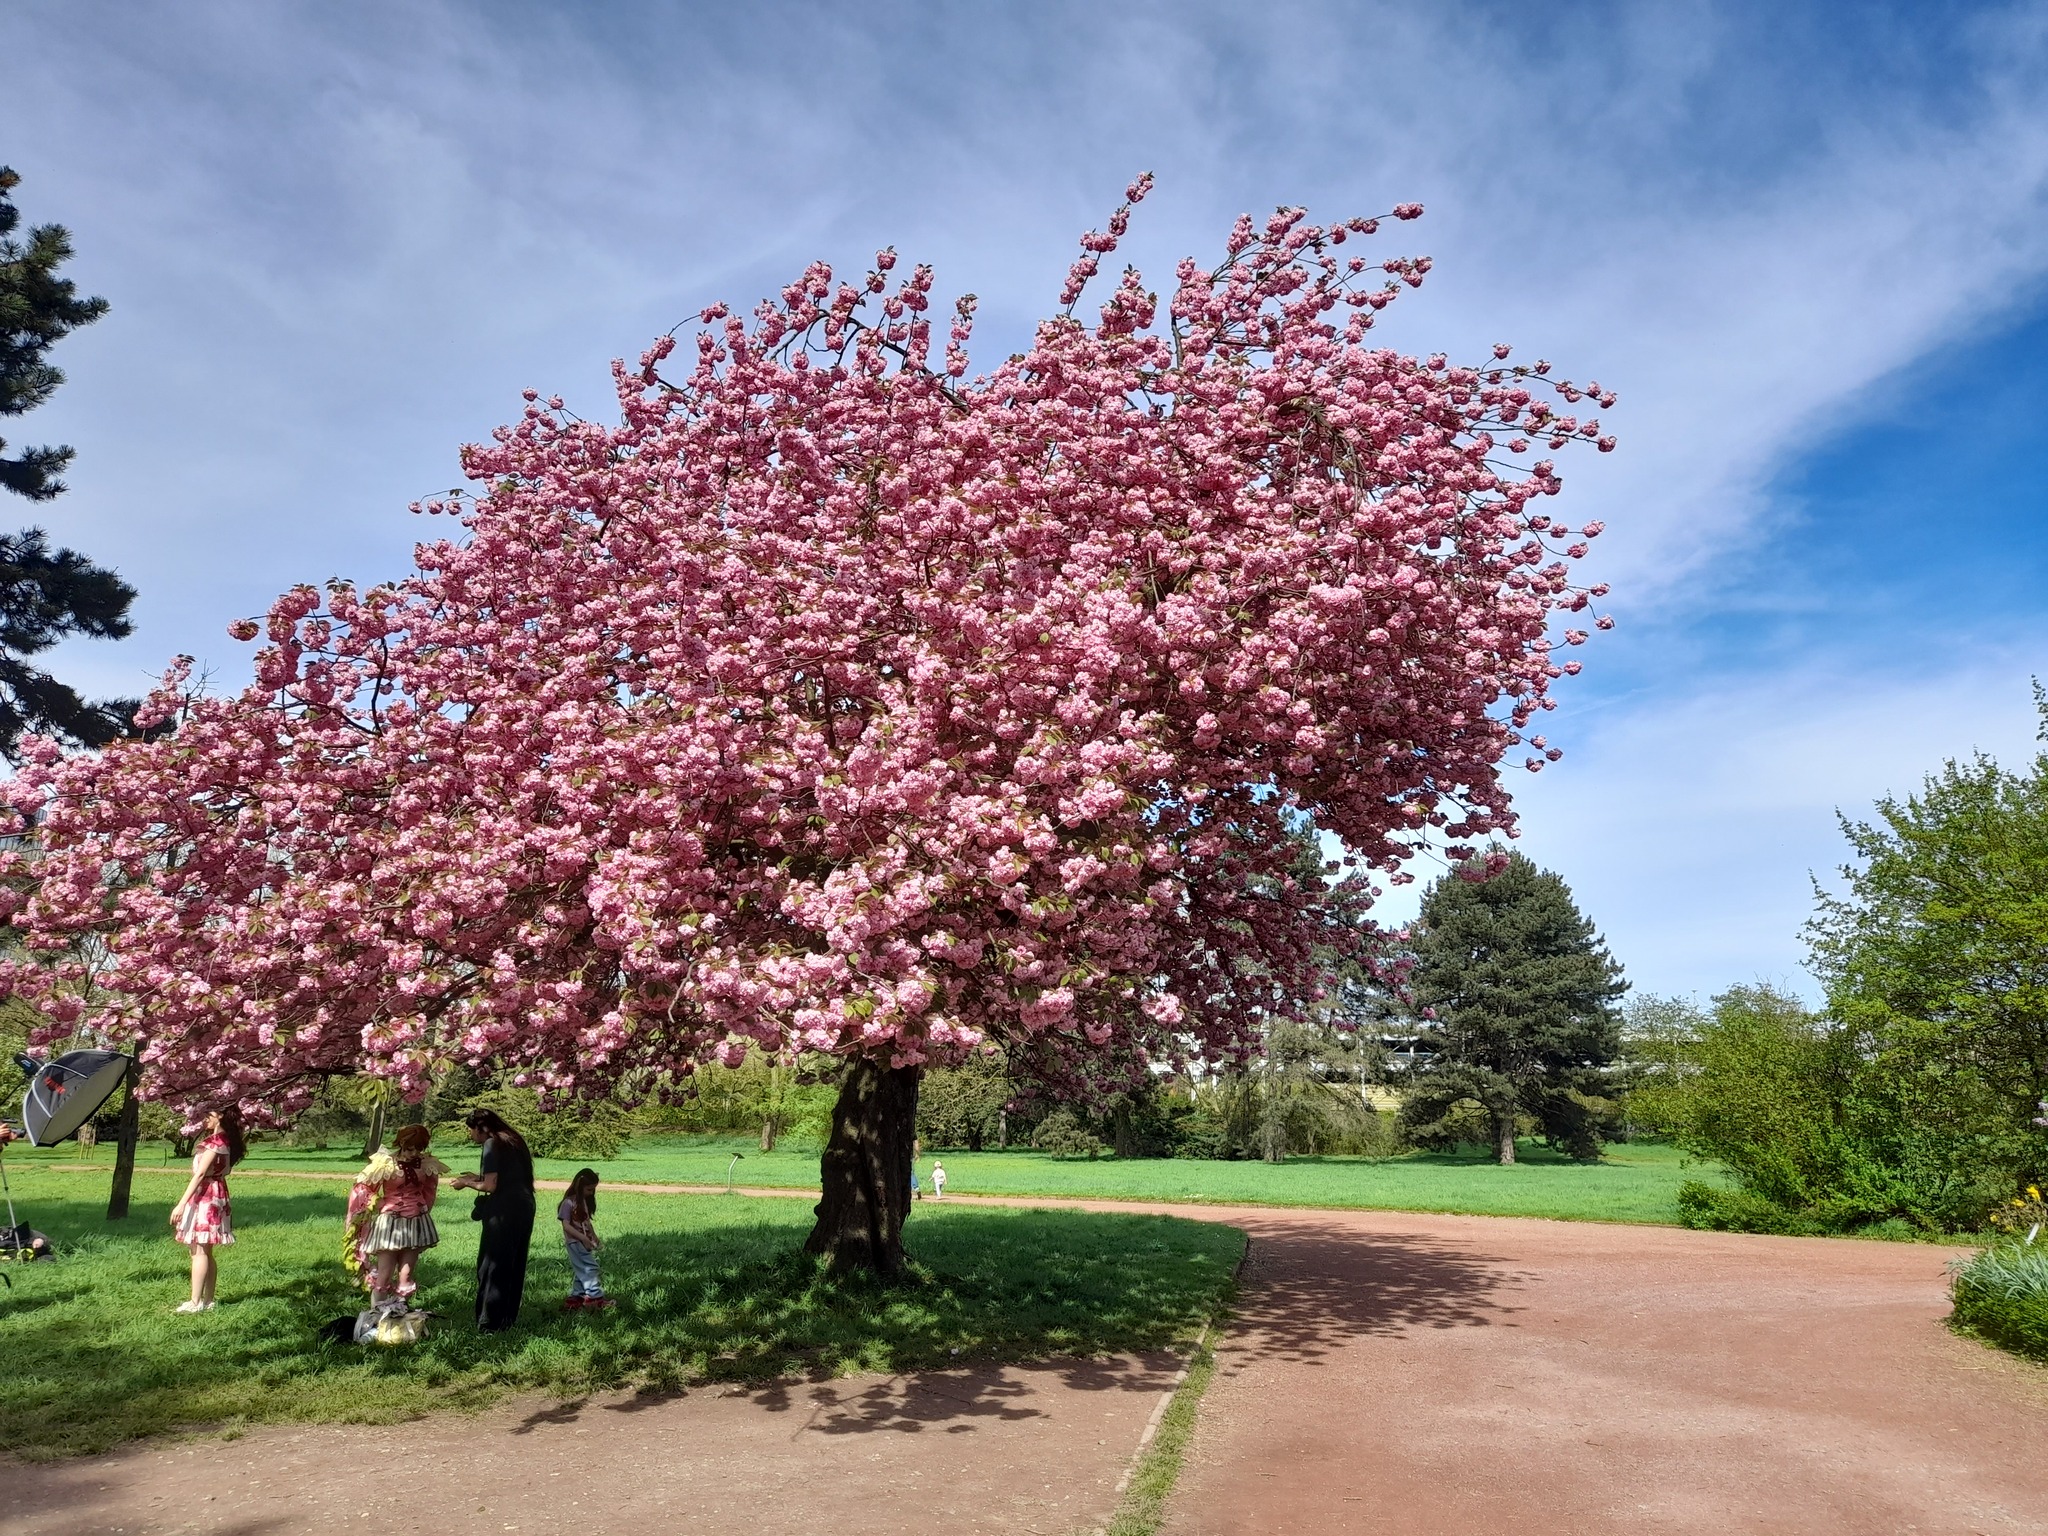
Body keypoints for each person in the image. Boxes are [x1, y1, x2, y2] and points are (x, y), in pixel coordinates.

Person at [346, 1124, 447, 1314]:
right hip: (389, 1223)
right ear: (401, 1143)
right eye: (410, 1148)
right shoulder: (385, 1163)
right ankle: (377, 1315)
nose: (414, 1153)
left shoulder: (427, 1164)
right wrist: (378, 1202)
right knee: (384, 1274)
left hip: (415, 1222)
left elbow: (430, 1191)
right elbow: (362, 1188)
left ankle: (399, 1314)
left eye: (418, 1148)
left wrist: (422, 1209)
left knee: (406, 1275)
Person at [449, 1109, 535, 1332]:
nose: (470, 1135)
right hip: (524, 1205)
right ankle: (507, 1317)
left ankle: (489, 1321)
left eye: (470, 1129)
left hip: (503, 1210)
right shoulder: (513, 1140)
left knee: (492, 1263)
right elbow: (506, 1177)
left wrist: (465, 1183)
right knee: (514, 1261)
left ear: (480, 1127)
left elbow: (490, 1186)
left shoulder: (491, 1144)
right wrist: (473, 1177)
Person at [168, 1107, 244, 1313]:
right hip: (218, 1193)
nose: (204, 1120)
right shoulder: (227, 1141)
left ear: (220, 1116)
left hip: (206, 1196)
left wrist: (181, 1203)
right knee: (207, 1251)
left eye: (208, 1116)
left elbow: (200, 1174)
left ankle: (195, 1302)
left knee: (199, 1250)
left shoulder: (215, 1143)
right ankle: (208, 1300)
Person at [557, 1167, 613, 1310]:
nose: (591, 1193)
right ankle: (594, 1298)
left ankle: (576, 1297)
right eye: (589, 1189)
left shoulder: (582, 1203)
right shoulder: (568, 1203)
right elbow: (566, 1226)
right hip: (575, 1242)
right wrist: (582, 1238)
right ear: (579, 1186)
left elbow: (587, 1222)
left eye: (593, 1190)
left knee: (581, 1269)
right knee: (590, 1267)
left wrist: (593, 1236)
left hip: (583, 1241)